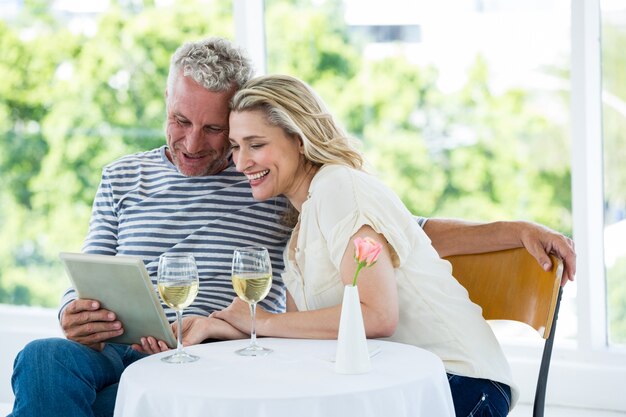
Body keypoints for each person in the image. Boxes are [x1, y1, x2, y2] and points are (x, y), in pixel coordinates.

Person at [8, 37, 574, 417]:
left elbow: (405, 233)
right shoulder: (124, 177)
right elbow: (86, 272)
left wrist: (513, 228)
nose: (196, 143)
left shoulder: (278, 184)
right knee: (43, 359)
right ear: (166, 103)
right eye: (182, 121)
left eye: (219, 132)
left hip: (228, 358)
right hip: (132, 346)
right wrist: (72, 312)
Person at [211, 73, 566, 416]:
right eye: (235, 147)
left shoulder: (339, 188)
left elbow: (378, 315)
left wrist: (264, 322)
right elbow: (303, 335)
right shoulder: (299, 236)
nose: (241, 162)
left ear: (300, 139)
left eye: (256, 145)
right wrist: (230, 324)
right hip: (399, 390)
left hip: (455, 383)